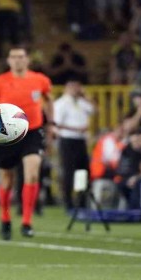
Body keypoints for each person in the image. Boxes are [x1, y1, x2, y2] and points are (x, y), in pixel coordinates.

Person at [0, 46, 53, 240]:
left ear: (27, 60)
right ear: (9, 61)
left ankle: (27, 222)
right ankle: (5, 218)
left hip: (33, 131)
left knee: (32, 174)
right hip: (6, 134)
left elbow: (49, 100)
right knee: (7, 180)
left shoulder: (40, 80)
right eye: (14, 57)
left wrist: (51, 125)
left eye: (21, 57)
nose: (18, 60)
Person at [53, 79, 95, 210]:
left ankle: (81, 201)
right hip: (68, 139)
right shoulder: (60, 104)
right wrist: (76, 129)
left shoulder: (81, 102)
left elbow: (94, 109)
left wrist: (86, 96)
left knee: (83, 171)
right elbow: (57, 123)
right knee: (69, 171)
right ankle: (68, 202)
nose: (76, 89)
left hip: (81, 140)